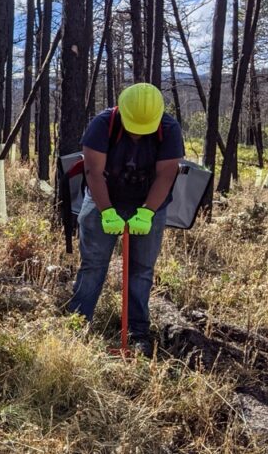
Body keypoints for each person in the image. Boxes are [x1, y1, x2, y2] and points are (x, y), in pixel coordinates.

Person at [68, 83, 185, 356]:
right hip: (104, 197)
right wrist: (107, 210)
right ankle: (76, 324)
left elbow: (166, 175)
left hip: (148, 203)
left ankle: (137, 332)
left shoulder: (169, 129)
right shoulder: (102, 124)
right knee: (93, 264)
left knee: (141, 269)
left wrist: (146, 212)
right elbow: (93, 172)